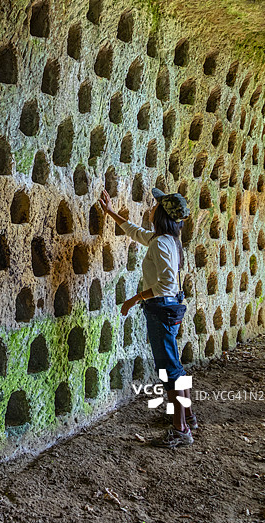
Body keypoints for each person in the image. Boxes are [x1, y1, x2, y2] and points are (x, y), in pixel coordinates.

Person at [98, 187, 196, 448]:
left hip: (161, 308)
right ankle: (187, 417)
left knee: (169, 371)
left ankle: (181, 430)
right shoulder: (166, 239)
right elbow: (136, 233)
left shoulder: (162, 243)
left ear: (161, 213)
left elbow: (165, 285)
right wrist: (110, 213)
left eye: (155, 205)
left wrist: (134, 299)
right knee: (175, 366)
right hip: (168, 308)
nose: (151, 208)